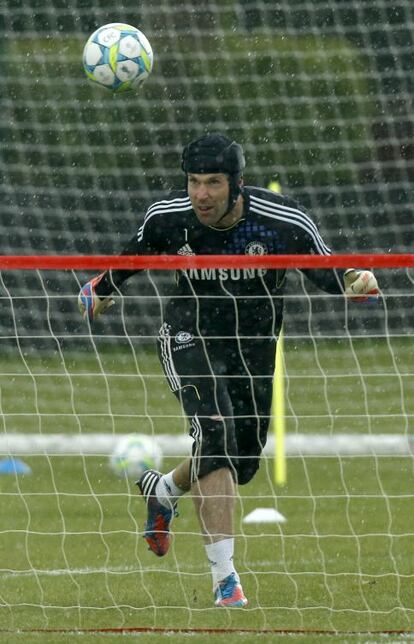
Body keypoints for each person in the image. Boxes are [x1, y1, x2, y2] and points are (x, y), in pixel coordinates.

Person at [78, 133, 379, 608]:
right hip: (187, 336)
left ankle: (165, 488)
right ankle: (226, 581)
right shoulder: (169, 218)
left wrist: (352, 281)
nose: (201, 195)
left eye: (214, 183)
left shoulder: (281, 220)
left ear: (237, 185)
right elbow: (129, 257)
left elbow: (327, 268)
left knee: (242, 462)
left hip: (252, 354)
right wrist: (99, 289)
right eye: (194, 182)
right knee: (212, 432)